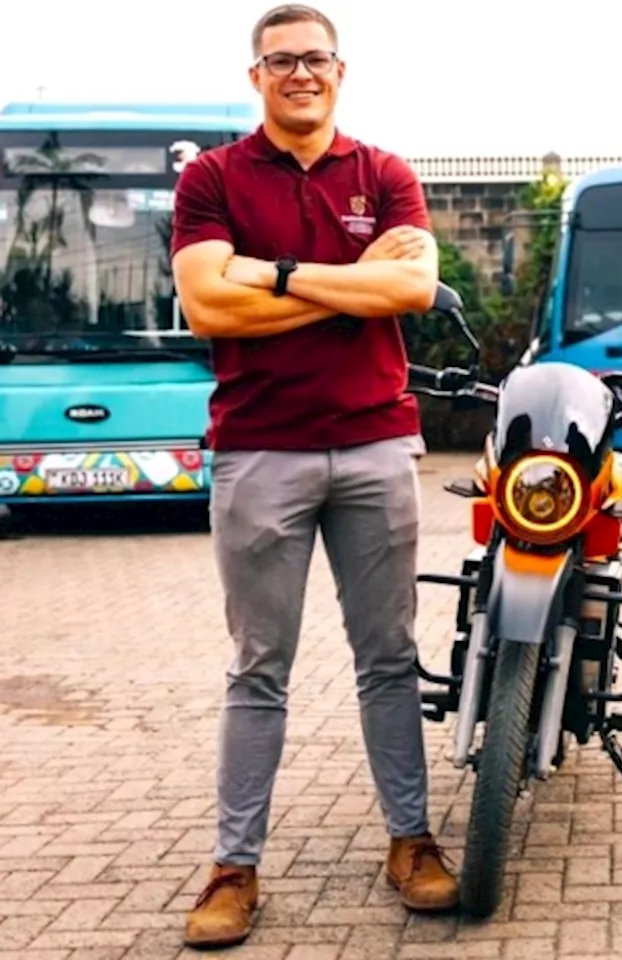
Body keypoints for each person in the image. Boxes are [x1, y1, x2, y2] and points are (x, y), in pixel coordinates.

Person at [170, 4, 457, 948]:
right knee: (260, 668)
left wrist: (276, 276)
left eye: (315, 58)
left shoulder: (385, 172)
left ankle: (411, 842)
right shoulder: (212, 178)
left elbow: (410, 290)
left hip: (376, 442)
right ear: (254, 76)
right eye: (280, 60)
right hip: (258, 448)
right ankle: (233, 869)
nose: (300, 72)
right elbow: (209, 305)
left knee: (388, 659)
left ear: (343, 70)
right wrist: (341, 281)